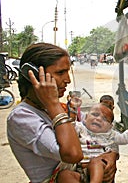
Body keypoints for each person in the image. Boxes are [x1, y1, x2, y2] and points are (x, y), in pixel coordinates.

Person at [6, 43, 118, 183]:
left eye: (68, 72)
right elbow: (73, 155)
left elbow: (98, 129)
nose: (68, 80)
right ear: (34, 75)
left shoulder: (54, 107)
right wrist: (52, 104)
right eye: (60, 73)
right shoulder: (22, 117)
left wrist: (111, 155)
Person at [58, 103, 128, 183]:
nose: (98, 119)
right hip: (78, 170)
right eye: (95, 114)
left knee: (96, 162)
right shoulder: (81, 128)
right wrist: (72, 114)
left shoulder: (110, 134)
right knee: (64, 175)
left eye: (105, 119)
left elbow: (124, 138)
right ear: (85, 118)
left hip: (99, 171)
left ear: (110, 126)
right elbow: (69, 127)